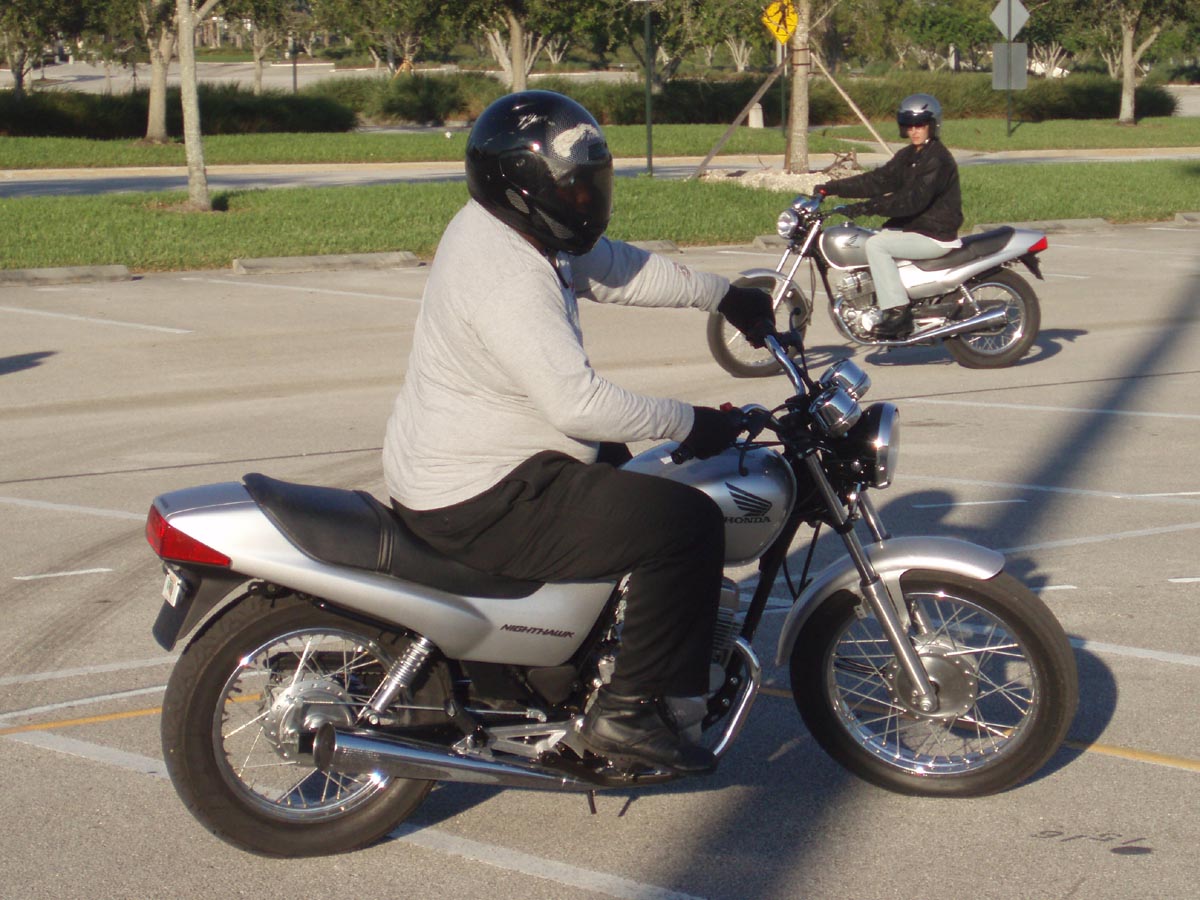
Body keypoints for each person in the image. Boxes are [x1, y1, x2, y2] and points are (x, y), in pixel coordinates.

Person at [382, 90, 774, 775]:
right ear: (527, 190)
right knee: (685, 524)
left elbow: (616, 268)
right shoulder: (509, 275)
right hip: (486, 494)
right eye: (576, 189)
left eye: (593, 185)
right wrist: (695, 421)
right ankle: (628, 715)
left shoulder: (516, 230)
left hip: (480, 461)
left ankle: (583, 656)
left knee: (632, 472)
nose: (589, 201)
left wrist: (724, 295)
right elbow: (580, 405)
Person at [815, 93, 963, 337]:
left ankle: (898, 313)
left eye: (920, 125)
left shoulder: (938, 159)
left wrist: (868, 207)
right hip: (916, 228)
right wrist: (831, 188)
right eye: (909, 125)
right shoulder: (910, 155)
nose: (914, 131)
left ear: (932, 125)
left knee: (877, 245)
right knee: (872, 238)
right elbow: (878, 180)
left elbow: (913, 200)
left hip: (935, 233)